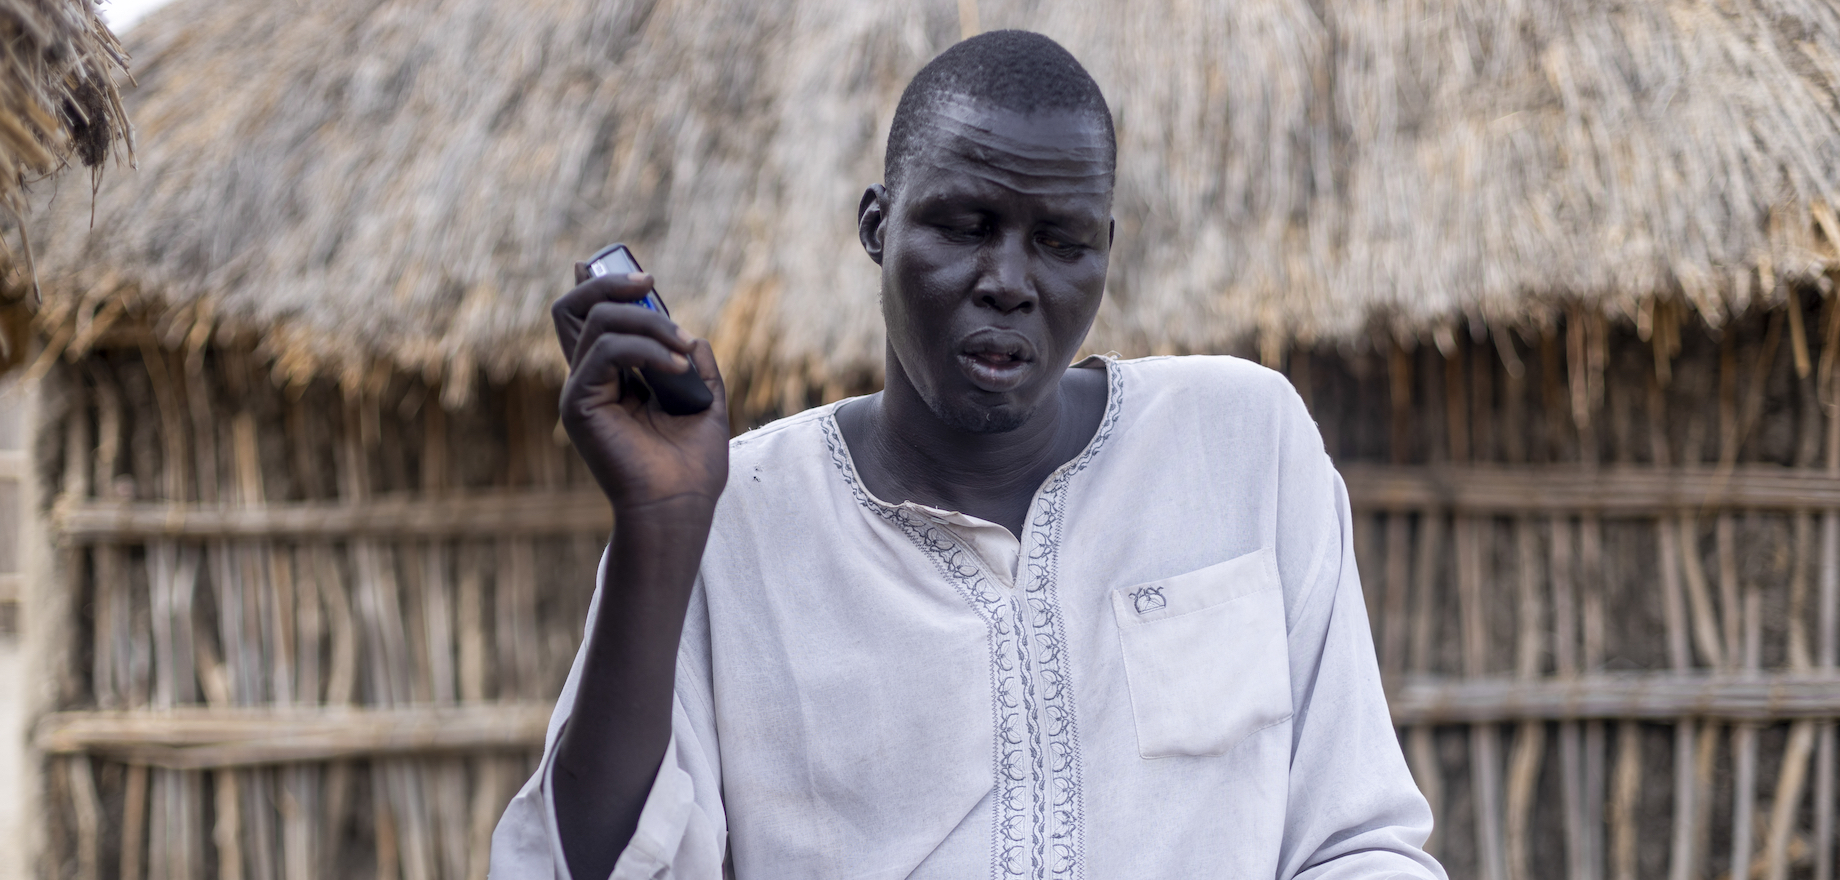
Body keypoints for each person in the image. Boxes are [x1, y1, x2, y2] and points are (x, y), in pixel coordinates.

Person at [491, 30, 1446, 880]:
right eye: (964, 226)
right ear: (877, 226)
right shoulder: (727, 515)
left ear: (1106, 253)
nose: (1009, 282)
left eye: (1061, 243)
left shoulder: (1240, 443)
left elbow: (1356, 841)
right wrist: (658, 528)